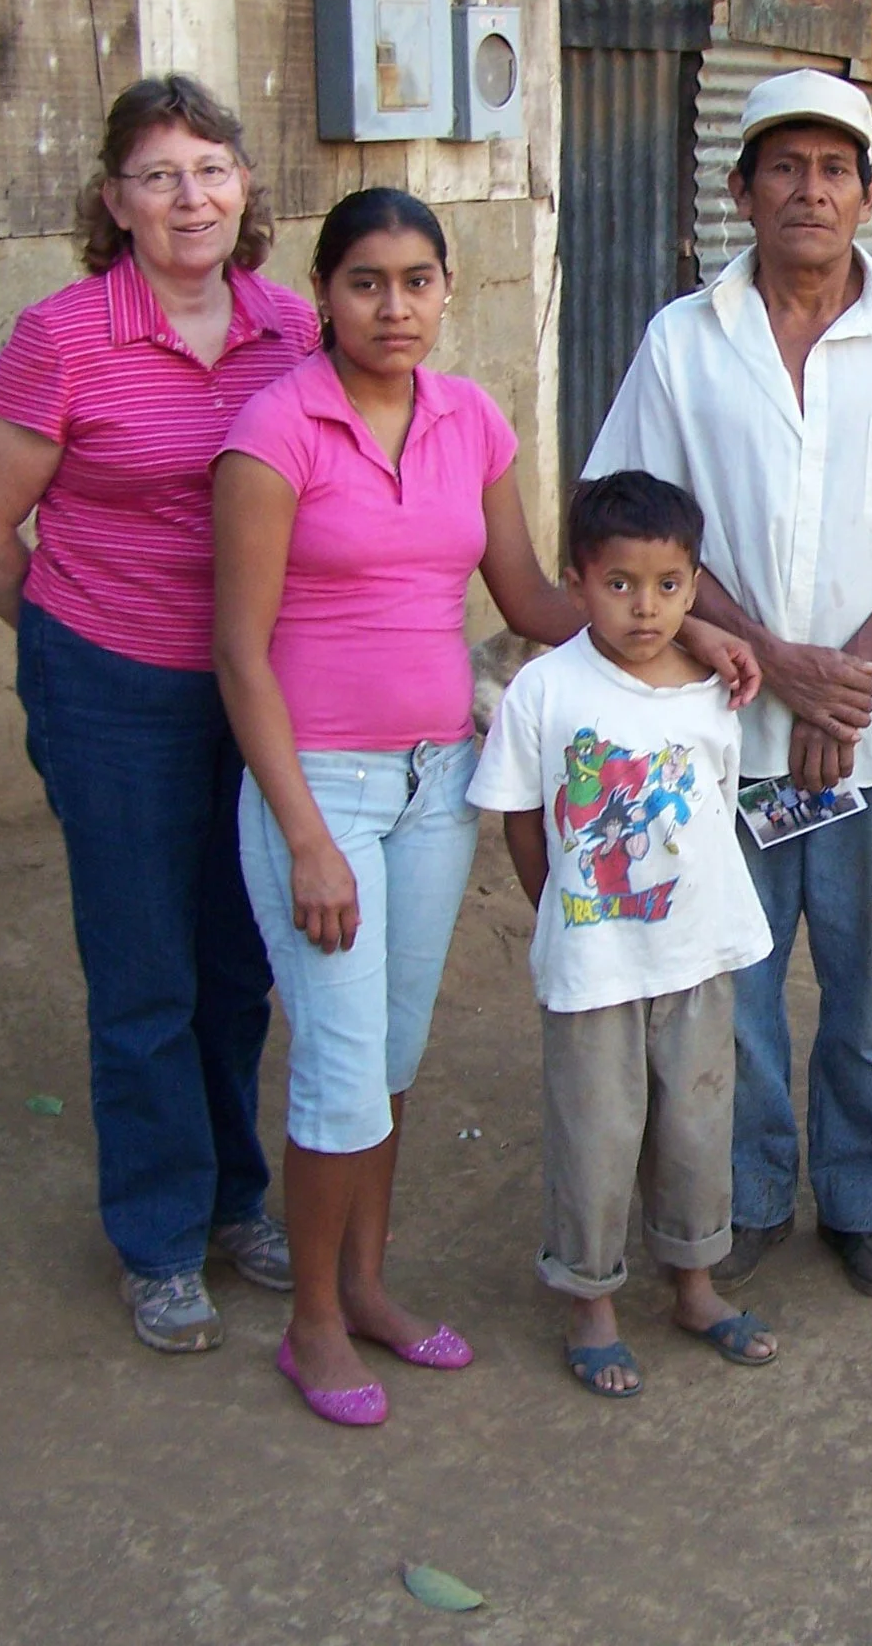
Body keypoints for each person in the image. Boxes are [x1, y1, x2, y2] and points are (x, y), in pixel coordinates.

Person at [212, 190, 750, 1425]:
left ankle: (365, 1289)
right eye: (364, 282)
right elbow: (240, 655)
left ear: (448, 290)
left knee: (391, 1059)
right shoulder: (273, 431)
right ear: (324, 293)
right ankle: (310, 1325)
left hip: (435, 781)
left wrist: (685, 634)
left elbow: (525, 594)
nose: (393, 307)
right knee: (338, 1072)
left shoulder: (470, 421)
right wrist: (301, 834)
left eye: (416, 281)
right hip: (322, 788)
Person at [584, 69, 872, 1302]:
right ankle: (755, 1190)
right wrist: (780, 666)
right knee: (739, 976)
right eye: (784, 166)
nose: (809, 190)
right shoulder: (686, 338)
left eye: (834, 169)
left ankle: (871, 1198)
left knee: (871, 987)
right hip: (725, 724)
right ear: (742, 190)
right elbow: (637, 525)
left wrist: (851, 680)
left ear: (869, 193)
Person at [0, 75, 313, 1354]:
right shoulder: (64, 336)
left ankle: (234, 1199)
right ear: (114, 202)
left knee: (238, 957)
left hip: (252, 688)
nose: (188, 196)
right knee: (144, 969)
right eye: (156, 176)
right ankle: (160, 1237)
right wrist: (68, 652)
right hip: (113, 687)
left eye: (209, 167)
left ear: (244, 184)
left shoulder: (290, 326)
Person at [469, 471, 782, 1398]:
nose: (646, 608)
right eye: (619, 584)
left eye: (669, 585)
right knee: (597, 1135)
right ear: (576, 582)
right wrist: (561, 912)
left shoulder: (714, 689)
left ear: (694, 585)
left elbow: (720, 811)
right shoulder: (545, 690)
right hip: (595, 962)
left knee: (695, 1122)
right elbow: (523, 817)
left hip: (698, 952)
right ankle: (592, 1302)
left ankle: (693, 1284)